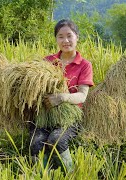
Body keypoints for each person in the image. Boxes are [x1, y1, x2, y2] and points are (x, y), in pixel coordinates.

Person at [29, 19, 94, 173]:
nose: (65, 40)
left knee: (56, 140)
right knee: (36, 143)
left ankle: (69, 174)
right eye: (60, 36)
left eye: (69, 36)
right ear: (56, 39)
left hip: (70, 117)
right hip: (46, 114)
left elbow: (82, 96)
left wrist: (62, 98)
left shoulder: (84, 65)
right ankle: (42, 175)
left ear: (77, 37)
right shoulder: (48, 62)